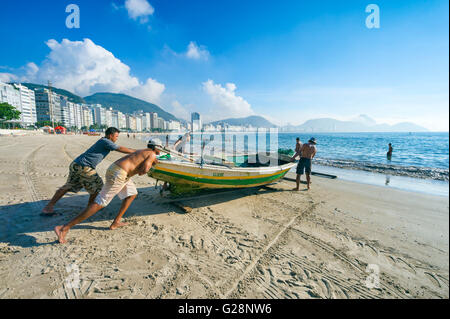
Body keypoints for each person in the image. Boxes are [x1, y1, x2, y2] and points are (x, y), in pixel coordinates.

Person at [54, 139, 162, 244]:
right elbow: (143, 172)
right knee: (100, 202)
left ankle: (116, 222)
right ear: (156, 148)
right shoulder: (152, 154)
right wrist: (153, 164)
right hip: (119, 174)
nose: (161, 151)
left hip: (117, 170)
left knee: (131, 194)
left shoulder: (143, 151)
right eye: (160, 148)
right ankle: (64, 228)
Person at [41, 127, 136, 216]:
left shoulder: (103, 141)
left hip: (76, 164)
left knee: (68, 186)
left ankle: (48, 207)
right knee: (98, 187)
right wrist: (137, 152)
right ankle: (90, 209)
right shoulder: (105, 141)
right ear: (110, 135)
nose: (116, 138)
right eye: (116, 136)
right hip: (84, 167)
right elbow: (119, 148)